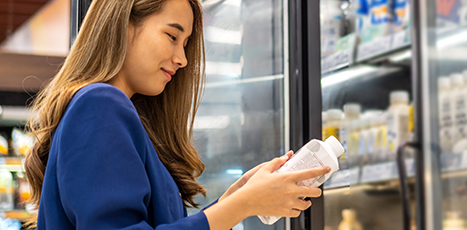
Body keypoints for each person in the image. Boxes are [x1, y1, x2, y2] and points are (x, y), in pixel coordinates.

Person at [23, 0, 329, 229]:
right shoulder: (100, 104)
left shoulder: (114, 112)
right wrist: (241, 204)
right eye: (172, 36)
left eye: (186, 44)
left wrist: (235, 198)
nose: (182, 59)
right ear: (124, 24)